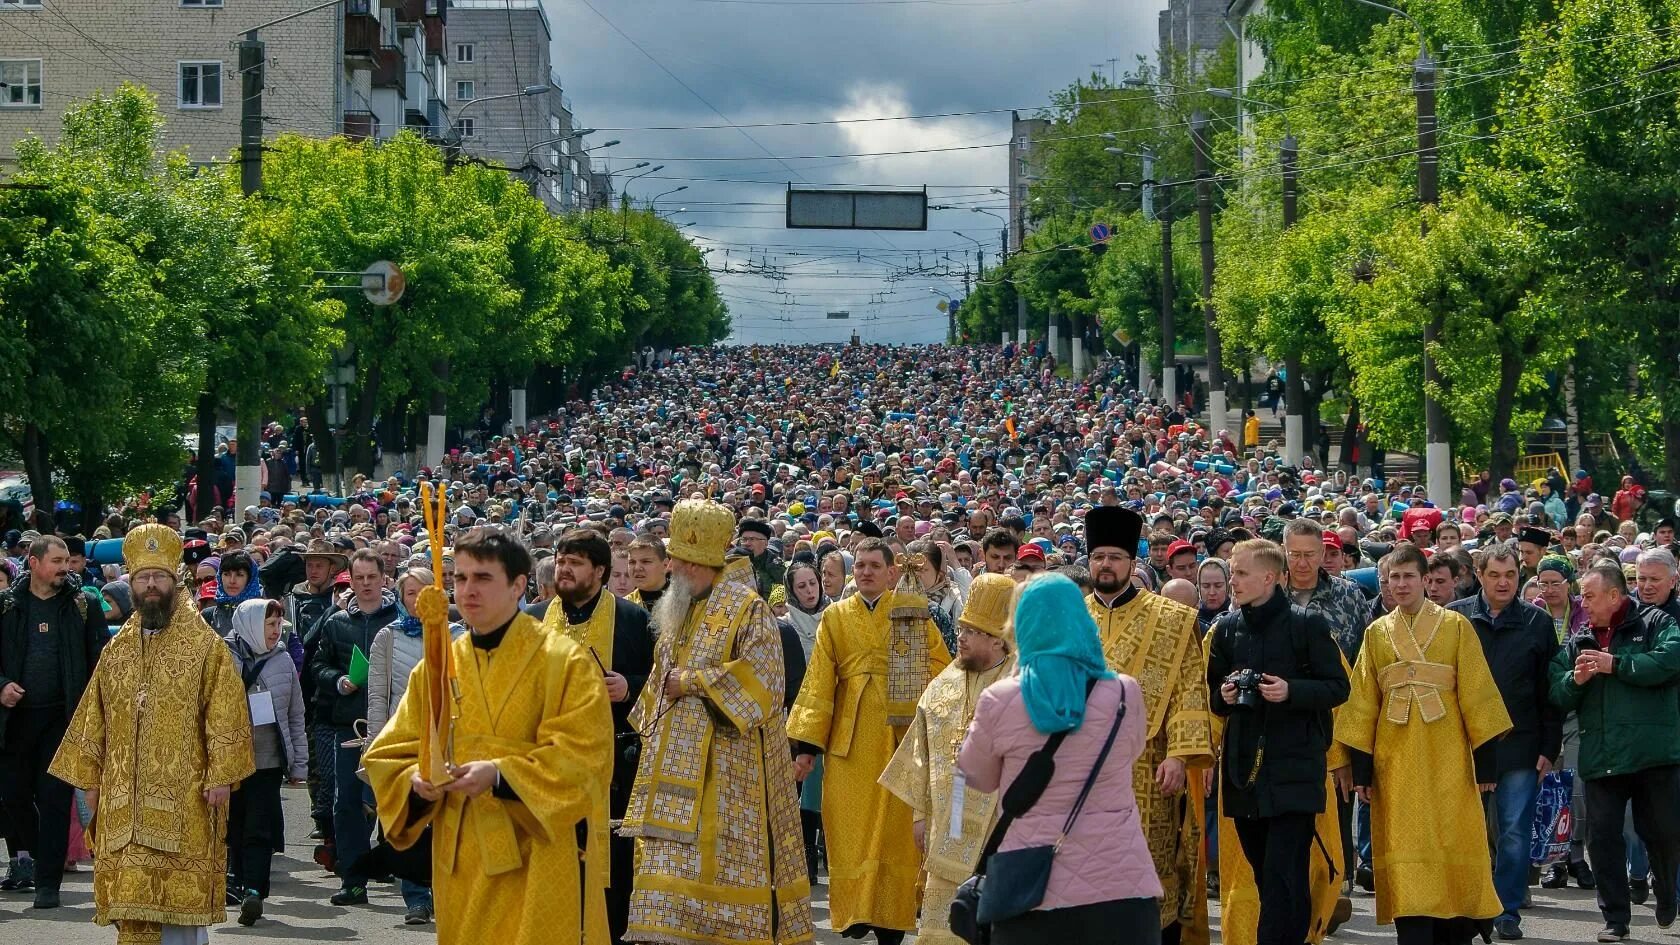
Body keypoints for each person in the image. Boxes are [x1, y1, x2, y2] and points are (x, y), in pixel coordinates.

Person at [361, 526, 616, 945]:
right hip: (460, 857)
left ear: (518, 585)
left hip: (535, 854)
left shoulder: (563, 662)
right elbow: (392, 751)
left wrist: (499, 776)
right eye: (460, 578)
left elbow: (586, 756)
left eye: (482, 578)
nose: (467, 590)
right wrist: (418, 782)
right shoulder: (439, 667)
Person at [49, 523, 256, 945]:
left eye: (159, 577)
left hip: (186, 798)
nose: (151, 586)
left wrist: (221, 775)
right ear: (132, 584)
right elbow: (95, 714)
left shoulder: (204, 646)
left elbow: (226, 711)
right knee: (130, 902)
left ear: (174, 580)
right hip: (125, 800)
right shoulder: (117, 650)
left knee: (178, 913)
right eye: (143, 578)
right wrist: (89, 779)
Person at [620, 499, 814, 945]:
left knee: (718, 876)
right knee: (662, 889)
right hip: (666, 769)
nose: (667, 564)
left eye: (675, 558)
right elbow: (660, 675)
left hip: (728, 773)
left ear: (696, 561)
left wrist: (689, 682)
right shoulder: (677, 606)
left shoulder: (747, 608)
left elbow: (764, 683)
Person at [957, 573, 1161, 943]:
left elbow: (977, 776)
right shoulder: (1123, 693)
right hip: (1122, 888)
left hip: (1029, 891)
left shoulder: (1000, 699)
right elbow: (1131, 753)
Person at [1335, 543, 1512, 945]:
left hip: (1449, 756)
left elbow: (1478, 694)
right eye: (1393, 577)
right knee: (1406, 850)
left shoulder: (1455, 626)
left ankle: (1460, 928)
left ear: (1425, 580)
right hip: (1394, 762)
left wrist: (1486, 766)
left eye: (1408, 576)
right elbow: (1362, 704)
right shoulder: (1376, 632)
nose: (1400, 584)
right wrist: (1362, 770)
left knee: (1453, 841)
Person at [788, 536, 952, 944]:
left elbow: (941, 670)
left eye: (874, 566)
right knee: (849, 826)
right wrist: (807, 747)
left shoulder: (913, 612)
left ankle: (892, 919)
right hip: (851, 736)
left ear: (892, 572)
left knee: (896, 833)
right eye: (859, 565)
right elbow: (820, 681)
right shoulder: (836, 617)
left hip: (902, 737)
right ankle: (858, 909)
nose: (864, 572)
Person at [1205, 539, 1350, 945]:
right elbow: (1213, 692)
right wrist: (1227, 695)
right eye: (1232, 572)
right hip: (1244, 771)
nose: (1232, 581)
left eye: (1240, 573)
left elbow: (1339, 688)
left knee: (1284, 875)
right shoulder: (1227, 629)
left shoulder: (1308, 625)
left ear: (1269, 577)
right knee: (1264, 874)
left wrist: (1291, 691)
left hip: (1295, 769)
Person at [1081, 506, 1213, 942]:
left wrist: (1179, 755)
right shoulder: (1071, 620)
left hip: (1147, 766)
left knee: (1152, 867)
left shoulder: (1172, 620)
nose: (1105, 565)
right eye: (1098, 556)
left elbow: (1189, 689)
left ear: (1132, 564)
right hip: (1079, 772)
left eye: (1115, 557)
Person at [878, 573, 1017, 945]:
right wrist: (920, 815)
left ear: (996, 639)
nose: (961, 636)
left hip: (1001, 830)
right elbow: (919, 755)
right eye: (962, 628)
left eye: (971, 631)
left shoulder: (1023, 684)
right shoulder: (944, 683)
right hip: (946, 823)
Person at [1549, 562, 1680, 943]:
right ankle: (1616, 919)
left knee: (1662, 833)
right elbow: (1555, 689)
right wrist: (1574, 680)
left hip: (1653, 754)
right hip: (1602, 756)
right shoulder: (1581, 637)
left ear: (1613, 595)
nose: (1582, 603)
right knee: (1602, 838)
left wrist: (1616, 664)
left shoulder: (1655, 622)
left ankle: (1667, 890)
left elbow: (1670, 661)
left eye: (1589, 596)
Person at [540, 528, 654, 944]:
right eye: (560, 561)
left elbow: (661, 682)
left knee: (613, 876)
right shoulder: (535, 619)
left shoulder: (633, 619)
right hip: (549, 767)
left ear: (600, 571)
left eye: (574, 563)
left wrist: (629, 686)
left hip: (613, 772)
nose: (564, 570)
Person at [1445, 542, 1561, 941]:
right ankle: (1464, 904)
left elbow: (1549, 692)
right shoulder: (1454, 618)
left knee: (1513, 830)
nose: (1503, 582)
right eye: (1494, 574)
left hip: (1520, 745)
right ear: (1479, 576)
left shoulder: (1537, 623)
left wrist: (1550, 747)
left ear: (1519, 576)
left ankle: (1506, 909)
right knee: (1466, 829)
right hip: (1463, 747)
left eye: (1510, 575)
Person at [0, 534, 110, 906]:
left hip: (63, 718)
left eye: (68, 560)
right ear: (34, 563)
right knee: (12, 794)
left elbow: (98, 659)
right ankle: (44, 852)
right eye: (57, 561)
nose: (66, 567)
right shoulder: (7, 605)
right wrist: (2, 686)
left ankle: (48, 884)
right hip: (14, 720)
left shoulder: (82, 603)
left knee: (54, 799)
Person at [307, 548, 398, 905]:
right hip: (350, 725)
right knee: (346, 803)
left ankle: (408, 877)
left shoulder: (400, 620)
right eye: (358, 578)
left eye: (371, 578)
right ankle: (354, 877)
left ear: (383, 579)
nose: (365, 585)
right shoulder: (336, 621)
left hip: (392, 725)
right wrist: (339, 680)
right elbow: (318, 666)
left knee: (390, 802)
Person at [365, 567, 454, 925]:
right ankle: (416, 897)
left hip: (446, 743)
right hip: (403, 741)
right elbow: (377, 693)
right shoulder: (388, 637)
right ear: (401, 598)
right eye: (411, 593)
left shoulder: (457, 633)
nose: (418, 601)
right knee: (408, 820)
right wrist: (374, 744)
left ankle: (444, 893)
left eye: (424, 592)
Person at [222, 598, 307, 927]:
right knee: (235, 827)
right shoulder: (222, 655)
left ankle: (254, 890)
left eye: (278, 625)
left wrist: (299, 764)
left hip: (268, 761)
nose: (275, 631)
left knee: (258, 827)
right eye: (269, 624)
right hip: (228, 760)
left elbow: (296, 715)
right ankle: (240, 883)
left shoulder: (283, 660)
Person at [783, 559, 831, 881]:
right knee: (802, 785)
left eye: (813, 583)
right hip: (798, 713)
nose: (809, 591)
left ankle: (830, 851)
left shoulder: (834, 618)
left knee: (829, 786)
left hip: (832, 710)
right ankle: (805, 857)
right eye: (801, 586)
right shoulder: (785, 625)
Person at [624, 536, 670, 612]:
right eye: (632, 562)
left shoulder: (686, 603)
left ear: (665, 565)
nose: (637, 568)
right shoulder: (622, 608)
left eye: (646, 562)